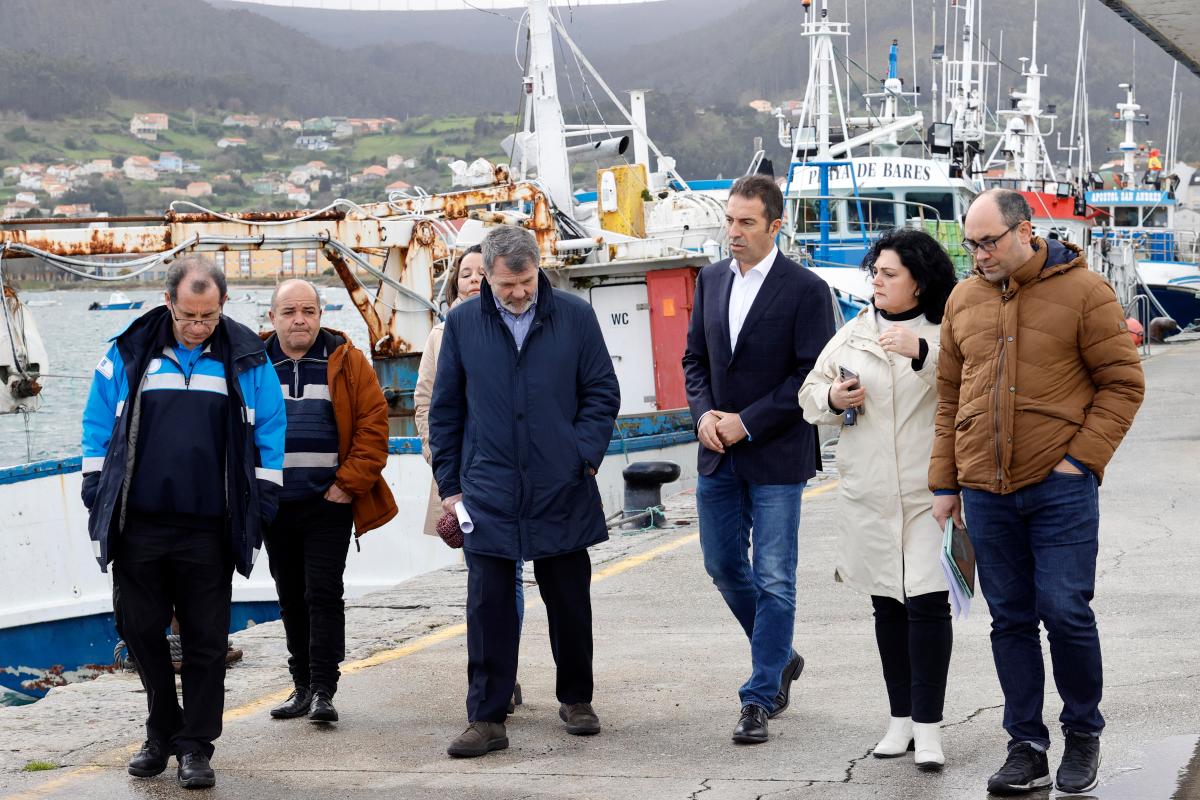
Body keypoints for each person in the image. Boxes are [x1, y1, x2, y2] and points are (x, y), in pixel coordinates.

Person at [930, 189, 1145, 795]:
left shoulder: (1085, 291)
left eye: (989, 242)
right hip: (985, 490)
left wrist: (1080, 461)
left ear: (1025, 232)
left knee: (1065, 610)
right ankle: (1025, 745)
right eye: (971, 244)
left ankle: (1082, 733)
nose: (978, 255)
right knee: (1010, 621)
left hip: (1060, 489)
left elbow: (1123, 385)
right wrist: (945, 481)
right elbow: (950, 398)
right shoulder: (963, 298)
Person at [80, 255, 286, 789]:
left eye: (208, 317)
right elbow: (97, 422)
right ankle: (160, 731)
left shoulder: (247, 358)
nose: (198, 327)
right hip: (139, 523)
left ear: (222, 306)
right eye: (189, 315)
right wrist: (93, 485)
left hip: (209, 528)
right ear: (168, 302)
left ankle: (196, 746)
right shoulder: (126, 354)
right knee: (140, 630)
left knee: (205, 641)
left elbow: (270, 428)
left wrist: (263, 499)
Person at [429, 224, 620, 758]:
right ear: (486, 275)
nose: (518, 293)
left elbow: (602, 392)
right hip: (487, 489)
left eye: (527, 280)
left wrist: (579, 456)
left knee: (568, 599)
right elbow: (446, 412)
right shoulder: (463, 323)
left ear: (539, 268)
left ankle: (577, 699)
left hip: (562, 484)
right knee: (488, 606)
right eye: (506, 283)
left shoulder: (575, 316)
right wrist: (451, 486)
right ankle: (486, 718)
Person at [681, 174, 835, 745]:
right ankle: (782, 656)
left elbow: (808, 375)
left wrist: (745, 422)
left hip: (775, 452)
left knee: (774, 576)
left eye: (746, 222)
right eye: (729, 220)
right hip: (716, 451)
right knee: (722, 566)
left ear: (775, 226)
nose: (733, 232)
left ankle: (760, 694)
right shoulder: (712, 280)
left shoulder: (806, 290)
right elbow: (694, 360)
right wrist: (704, 417)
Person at [798, 228, 958, 771]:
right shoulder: (852, 334)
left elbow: (971, 379)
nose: (878, 282)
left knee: (929, 603)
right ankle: (900, 719)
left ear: (920, 283)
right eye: (876, 272)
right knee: (887, 603)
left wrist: (923, 353)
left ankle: (931, 728)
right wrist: (832, 396)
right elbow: (809, 396)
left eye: (890, 274)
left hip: (927, 493)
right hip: (867, 494)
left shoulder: (943, 331)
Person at [262, 278, 397, 724]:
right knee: (289, 597)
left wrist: (345, 486)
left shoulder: (348, 361)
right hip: (275, 505)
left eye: (308, 311)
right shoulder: (255, 366)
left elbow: (374, 428)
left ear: (320, 315)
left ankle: (323, 689)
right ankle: (300, 685)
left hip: (328, 503)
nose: (299, 319)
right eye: (289, 312)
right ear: (273, 318)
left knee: (323, 593)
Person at [415, 245, 525, 714]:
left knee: (509, 576)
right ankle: (496, 674)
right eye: (466, 273)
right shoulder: (441, 335)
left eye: (483, 272)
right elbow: (426, 403)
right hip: (460, 473)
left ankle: (506, 670)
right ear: (454, 281)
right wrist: (440, 461)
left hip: (508, 472)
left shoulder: (513, 326)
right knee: (481, 582)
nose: (473, 280)